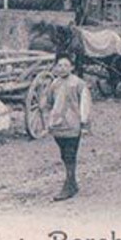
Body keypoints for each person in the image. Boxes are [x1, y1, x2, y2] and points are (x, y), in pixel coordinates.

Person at [44, 55, 92, 201]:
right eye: (60, 65)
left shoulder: (79, 84)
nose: (62, 68)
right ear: (56, 67)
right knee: (64, 155)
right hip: (58, 125)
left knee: (70, 153)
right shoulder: (54, 84)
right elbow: (49, 102)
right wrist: (51, 118)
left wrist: (84, 123)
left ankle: (68, 185)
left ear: (72, 67)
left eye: (66, 65)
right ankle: (73, 183)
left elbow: (85, 104)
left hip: (73, 124)